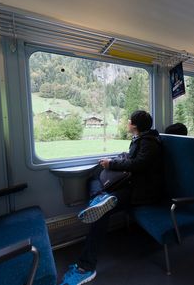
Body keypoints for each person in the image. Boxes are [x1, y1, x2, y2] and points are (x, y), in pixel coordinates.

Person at [60, 110, 163, 285]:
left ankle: (86, 267)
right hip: (133, 183)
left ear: (134, 125)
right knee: (96, 173)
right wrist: (112, 161)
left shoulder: (150, 142)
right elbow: (133, 160)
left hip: (141, 191)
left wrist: (113, 163)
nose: (127, 122)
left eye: (129, 120)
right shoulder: (141, 139)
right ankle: (99, 199)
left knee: (100, 214)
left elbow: (139, 164)